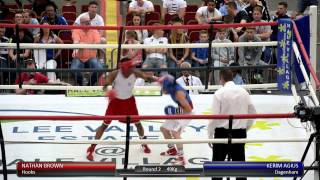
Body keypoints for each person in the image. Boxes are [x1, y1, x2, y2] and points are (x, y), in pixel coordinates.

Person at [86, 57, 158, 161]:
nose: (130, 69)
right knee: (104, 125)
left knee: (138, 124)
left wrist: (159, 80)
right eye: (128, 67)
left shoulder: (135, 72)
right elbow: (105, 85)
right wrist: (107, 90)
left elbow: (147, 78)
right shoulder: (115, 74)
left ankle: (144, 143)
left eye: (130, 67)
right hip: (115, 102)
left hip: (129, 102)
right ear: (123, 67)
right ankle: (92, 147)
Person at [208, 69, 256, 180]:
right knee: (240, 166)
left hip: (222, 133)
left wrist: (210, 135)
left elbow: (213, 118)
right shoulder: (244, 92)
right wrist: (244, 128)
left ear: (221, 79)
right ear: (232, 77)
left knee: (217, 167)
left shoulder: (219, 93)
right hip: (239, 132)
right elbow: (253, 113)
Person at [159, 75, 194, 165]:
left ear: (168, 86)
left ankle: (181, 158)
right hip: (180, 110)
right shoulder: (172, 86)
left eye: (163, 86)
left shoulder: (178, 93)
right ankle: (172, 150)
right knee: (164, 128)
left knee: (175, 133)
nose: (162, 88)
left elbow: (189, 109)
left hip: (187, 113)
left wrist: (175, 110)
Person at [71, 14, 103, 86]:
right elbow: (76, 42)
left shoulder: (94, 31)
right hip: (78, 57)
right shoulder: (76, 31)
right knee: (73, 70)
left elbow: (97, 44)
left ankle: (90, 84)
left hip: (91, 58)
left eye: (89, 21)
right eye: (87, 22)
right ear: (81, 23)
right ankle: (81, 83)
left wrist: (82, 44)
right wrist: (87, 44)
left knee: (100, 69)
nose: (89, 23)